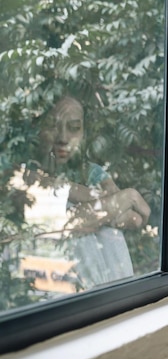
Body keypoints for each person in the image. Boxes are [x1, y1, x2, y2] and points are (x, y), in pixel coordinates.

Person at [26, 95, 151, 286]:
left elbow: (136, 217)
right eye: (53, 126)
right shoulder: (27, 172)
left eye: (74, 128)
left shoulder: (92, 172)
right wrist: (121, 200)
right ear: (39, 129)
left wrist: (99, 210)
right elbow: (65, 222)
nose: (63, 138)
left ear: (85, 133)